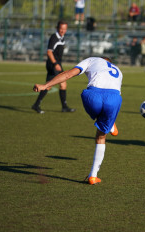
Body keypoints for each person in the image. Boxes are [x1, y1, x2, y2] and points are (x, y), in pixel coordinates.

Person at [33, 57, 123, 185]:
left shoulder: (92, 60)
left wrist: (46, 85)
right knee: (101, 136)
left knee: (90, 100)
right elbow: (115, 91)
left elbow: (68, 74)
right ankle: (93, 176)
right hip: (114, 99)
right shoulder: (118, 70)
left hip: (92, 96)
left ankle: (108, 124)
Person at [32, 20, 75, 114]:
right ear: (57, 28)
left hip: (58, 64)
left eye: (65, 29)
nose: (63, 31)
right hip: (53, 64)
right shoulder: (54, 37)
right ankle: (36, 104)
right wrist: (55, 64)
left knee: (63, 84)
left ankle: (64, 107)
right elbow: (49, 52)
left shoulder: (62, 37)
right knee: (49, 85)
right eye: (61, 28)